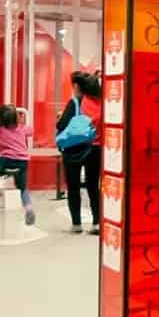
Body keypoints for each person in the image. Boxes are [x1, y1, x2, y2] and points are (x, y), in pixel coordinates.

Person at [56, 71, 104, 234]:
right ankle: (97, 223)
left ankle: (76, 224)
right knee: (93, 186)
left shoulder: (76, 102)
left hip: (74, 149)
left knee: (74, 187)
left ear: (77, 86)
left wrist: (60, 119)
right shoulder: (102, 103)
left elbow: (62, 125)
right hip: (96, 148)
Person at [0, 104, 36, 225]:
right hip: (23, 162)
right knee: (23, 188)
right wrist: (22, 122)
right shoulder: (22, 128)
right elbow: (31, 131)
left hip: (6, 161)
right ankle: (28, 208)